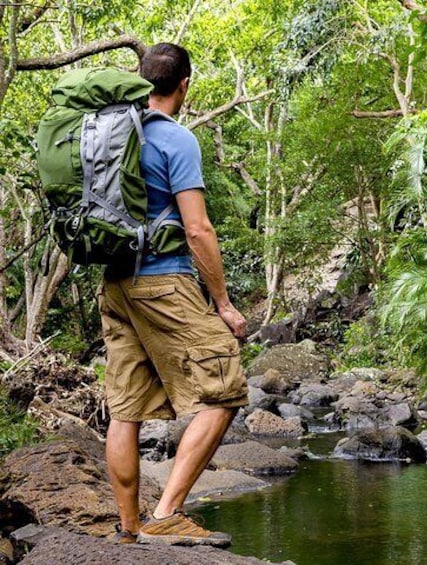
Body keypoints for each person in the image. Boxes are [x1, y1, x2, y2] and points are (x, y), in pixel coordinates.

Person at [100, 42, 248, 547]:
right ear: (183, 84)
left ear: (141, 81)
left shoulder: (111, 134)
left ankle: (129, 529)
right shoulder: (175, 139)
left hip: (116, 283)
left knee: (125, 408)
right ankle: (167, 510)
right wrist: (223, 304)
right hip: (163, 281)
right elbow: (198, 230)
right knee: (226, 386)